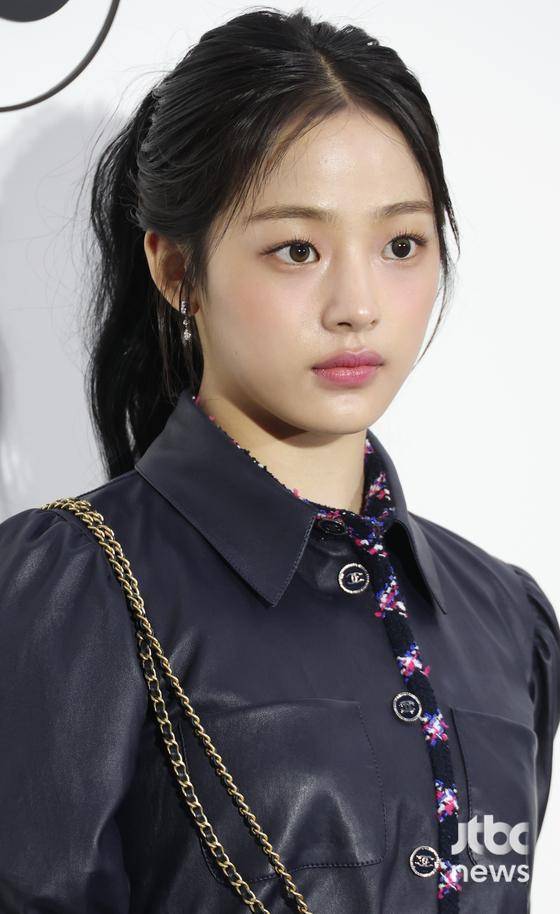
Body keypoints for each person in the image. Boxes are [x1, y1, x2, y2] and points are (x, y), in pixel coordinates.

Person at [0, 6, 558, 914]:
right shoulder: (72, 590)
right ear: (176, 269)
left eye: (402, 245)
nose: (358, 305)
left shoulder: (506, 619)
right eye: (298, 249)